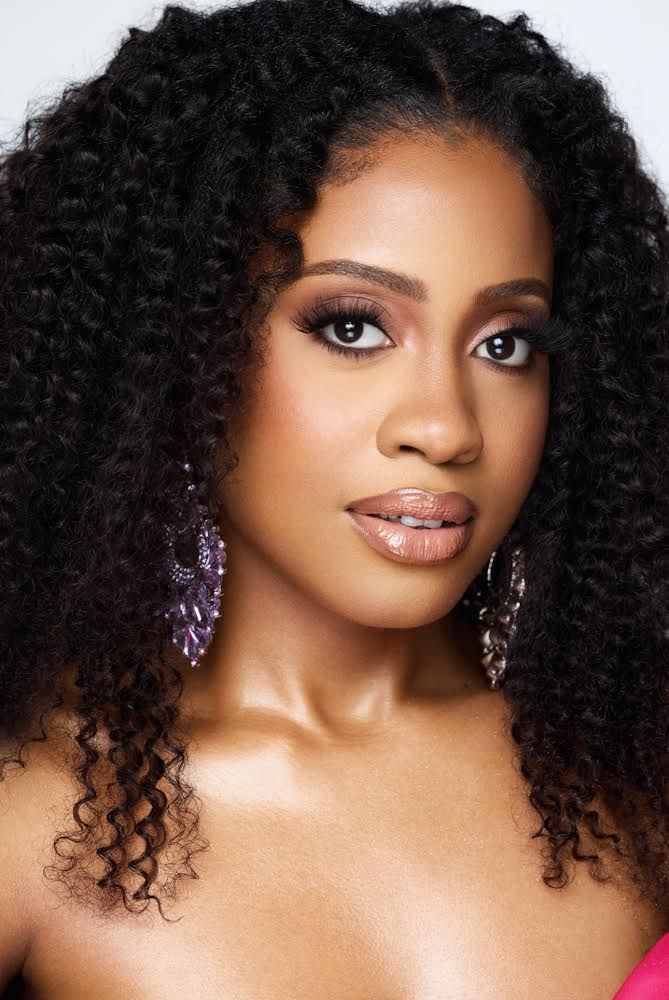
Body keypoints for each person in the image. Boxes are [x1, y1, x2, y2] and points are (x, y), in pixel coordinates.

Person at [0, 0, 667, 996]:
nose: (443, 426)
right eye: (353, 326)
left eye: (506, 342)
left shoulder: (637, 783)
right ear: (187, 346)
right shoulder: (35, 826)